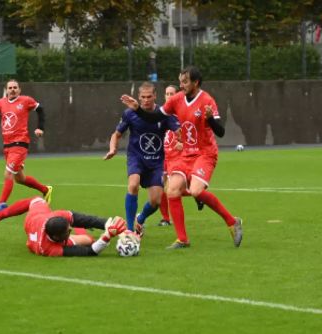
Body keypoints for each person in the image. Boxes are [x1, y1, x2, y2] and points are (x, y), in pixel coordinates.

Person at [121, 66, 243, 249]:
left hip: (204, 153)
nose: (181, 85)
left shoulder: (207, 100)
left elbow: (221, 132)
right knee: (172, 190)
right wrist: (137, 109)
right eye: (180, 81)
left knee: (195, 191)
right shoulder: (177, 99)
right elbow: (154, 117)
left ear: (196, 83)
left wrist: (210, 118)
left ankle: (232, 221)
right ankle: (182, 239)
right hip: (185, 154)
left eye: (185, 82)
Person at [104, 82, 179, 236]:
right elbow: (116, 134)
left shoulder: (164, 114)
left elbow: (179, 131)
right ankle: (130, 230)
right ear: (138, 97)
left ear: (155, 96)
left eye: (149, 96)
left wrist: (181, 142)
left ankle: (141, 218)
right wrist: (113, 148)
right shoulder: (130, 113)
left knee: (156, 201)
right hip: (136, 158)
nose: (146, 100)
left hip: (156, 162)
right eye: (143, 97)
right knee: (133, 185)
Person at [0, 79, 52, 218]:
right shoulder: (1, 102)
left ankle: (0, 206)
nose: (13, 90)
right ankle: (45, 190)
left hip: (20, 143)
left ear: (19, 90)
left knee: (8, 173)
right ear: (6, 90)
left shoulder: (25, 100)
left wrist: (40, 127)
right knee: (20, 179)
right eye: (10, 88)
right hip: (7, 145)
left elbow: (40, 109)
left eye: (15, 87)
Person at [0, 196, 127, 257]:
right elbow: (90, 252)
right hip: (37, 238)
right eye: (68, 231)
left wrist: (107, 223)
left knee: (37, 199)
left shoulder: (50, 217)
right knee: (88, 240)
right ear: (57, 238)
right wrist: (107, 236)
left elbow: (80, 218)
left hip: (36, 219)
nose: (70, 229)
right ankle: (84, 230)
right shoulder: (49, 249)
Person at [158, 84, 181, 227]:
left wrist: (183, 145)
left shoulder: (182, 113)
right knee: (161, 186)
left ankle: (199, 195)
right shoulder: (160, 114)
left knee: (174, 189)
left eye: (172, 93)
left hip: (177, 157)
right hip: (162, 157)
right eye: (167, 94)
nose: (169, 96)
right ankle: (166, 218)